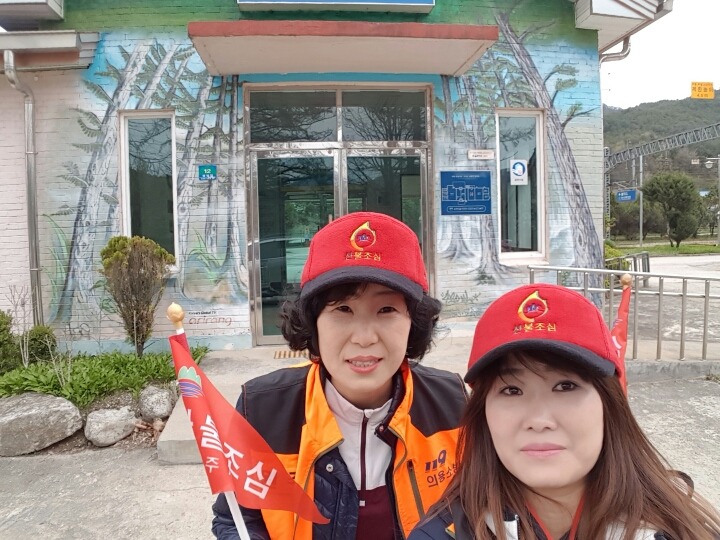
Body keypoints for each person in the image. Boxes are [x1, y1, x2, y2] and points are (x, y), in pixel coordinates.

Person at [212, 211, 469, 539]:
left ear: (414, 322)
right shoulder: (262, 408)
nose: (364, 338)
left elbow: (479, 507)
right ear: (313, 322)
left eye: (386, 310)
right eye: (342, 310)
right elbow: (237, 519)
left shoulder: (452, 404)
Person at [409, 283, 720, 540]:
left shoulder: (680, 528)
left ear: (609, 404)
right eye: (512, 390)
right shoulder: (439, 534)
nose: (539, 420)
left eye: (565, 386)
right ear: (483, 413)